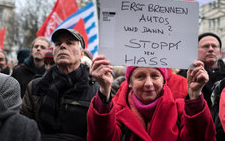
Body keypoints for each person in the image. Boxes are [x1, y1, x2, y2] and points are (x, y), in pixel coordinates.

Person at [87, 55, 216, 140]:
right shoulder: (114, 111)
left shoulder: (181, 109)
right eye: (140, 76)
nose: (149, 84)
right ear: (129, 83)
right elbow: (100, 137)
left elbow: (201, 137)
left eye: (155, 76)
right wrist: (104, 90)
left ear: (164, 80)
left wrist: (195, 96)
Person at [20, 28, 99, 140]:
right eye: (58, 44)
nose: (62, 46)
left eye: (69, 43)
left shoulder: (96, 89)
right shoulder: (36, 86)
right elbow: (24, 128)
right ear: (53, 52)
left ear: (81, 54)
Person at [178, 32, 225, 108]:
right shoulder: (184, 76)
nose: (211, 49)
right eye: (206, 46)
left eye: (214, 46)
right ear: (195, 51)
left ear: (219, 51)